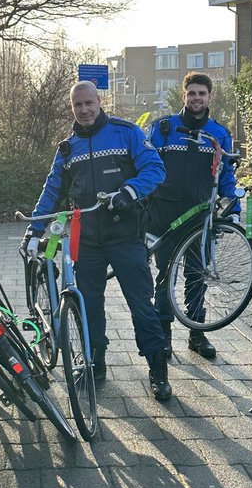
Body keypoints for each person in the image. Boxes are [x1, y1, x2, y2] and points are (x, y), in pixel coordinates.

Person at [24, 81, 172, 401]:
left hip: (125, 236)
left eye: (89, 103)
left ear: (99, 101)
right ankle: (95, 361)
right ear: (72, 107)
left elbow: (155, 169)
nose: (84, 110)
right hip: (86, 240)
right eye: (78, 105)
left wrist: (128, 193)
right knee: (89, 305)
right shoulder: (66, 148)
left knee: (140, 305)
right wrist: (34, 231)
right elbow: (51, 191)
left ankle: (157, 367)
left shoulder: (126, 133)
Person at [146, 72, 241, 361]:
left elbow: (226, 174)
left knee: (197, 276)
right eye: (192, 93)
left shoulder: (219, 133)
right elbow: (146, 168)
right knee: (165, 276)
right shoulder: (162, 129)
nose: (197, 98)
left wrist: (233, 209)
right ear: (183, 96)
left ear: (210, 97)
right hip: (165, 215)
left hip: (201, 217)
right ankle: (164, 336)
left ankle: (197, 333)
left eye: (202, 93)